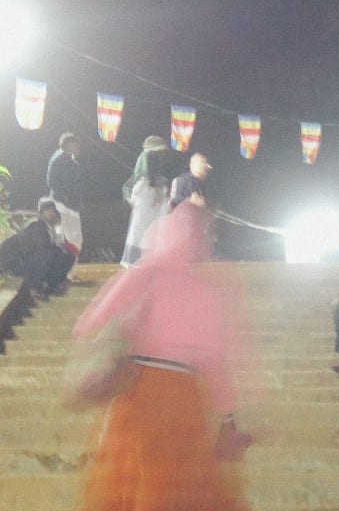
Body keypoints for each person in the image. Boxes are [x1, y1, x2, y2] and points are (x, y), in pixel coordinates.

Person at [71, 201, 251, 511]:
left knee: (135, 482)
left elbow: (90, 322)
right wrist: (228, 417)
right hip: (185, 397)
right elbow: (218, 361)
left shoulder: (146, 273)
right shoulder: (207, 291)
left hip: (140, 391)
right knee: (179, 488)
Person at [120, 136, 175, 268]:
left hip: (146, 194)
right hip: (146, 194)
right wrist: (155, 191)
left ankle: (148, 258)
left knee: (146, 227)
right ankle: (138, 259)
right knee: (145, 227)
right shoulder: (148, 155)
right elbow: (149, 176)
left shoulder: (147, 157)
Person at [0, 197, 75, 295]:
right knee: (47, 254)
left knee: (67, 257)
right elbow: (40, 247)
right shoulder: (36, 225)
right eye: (47, 210)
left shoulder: (49, 228)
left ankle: (51, 286)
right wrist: (59, 249)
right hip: (20, 264)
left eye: (52, 210)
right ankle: (38, 286)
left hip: (34, 261)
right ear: (41, 213)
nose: (50, 213)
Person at [46, 132, 83, 259]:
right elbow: (54, 183)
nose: (78, 147)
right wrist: (67, 199)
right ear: (69, 145)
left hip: (63, 203)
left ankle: (65, 270)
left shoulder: (62, 160)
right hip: (64, 204)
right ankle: (67, 269)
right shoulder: (62, 161)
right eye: (76, 145)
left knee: (62, 236)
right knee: (71, 237)